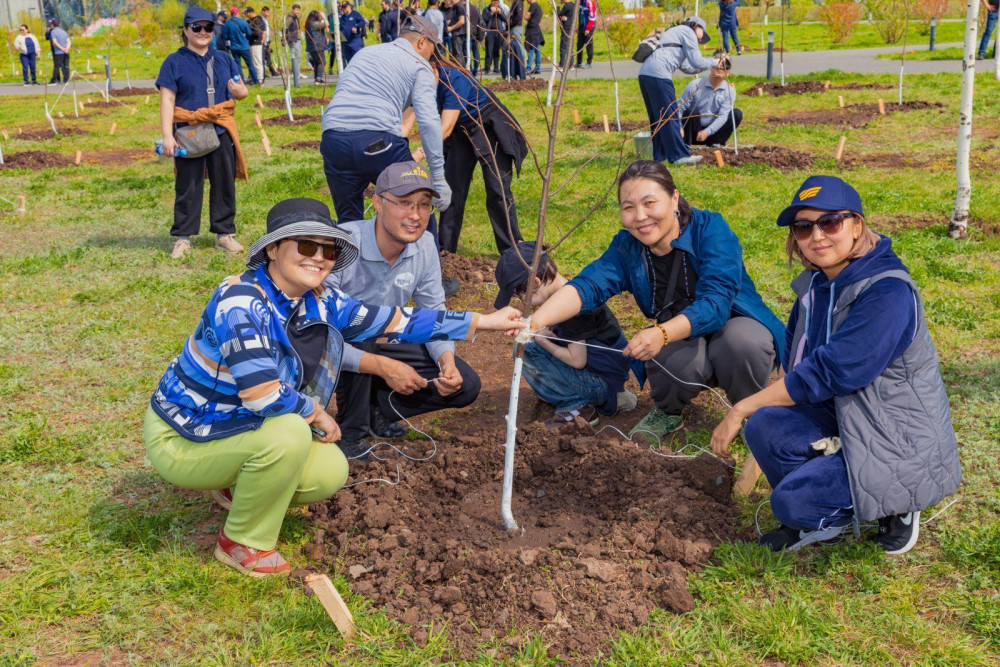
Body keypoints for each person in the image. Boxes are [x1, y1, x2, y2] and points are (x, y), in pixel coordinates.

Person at [144, 196, 524, 577]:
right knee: (291, 432)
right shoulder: (241, 303)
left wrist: (484, 321)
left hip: (239, 425)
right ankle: (242, 542)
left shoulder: (319, 300)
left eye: (328, 250)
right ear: (273, 249)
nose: (319, 258)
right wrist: (315, 412)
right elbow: (262, 394)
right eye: (307, 245)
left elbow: (398, 321)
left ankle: (238, 484)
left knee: (330, 470)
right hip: (186, 433)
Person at [710, 176, 962, 555]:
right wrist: (760, 410)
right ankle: (826, 511)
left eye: (830, 222)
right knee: (764, 425)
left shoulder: (888, 292)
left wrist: (741, 407)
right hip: (843, 418)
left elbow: (833, 371)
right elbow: (795, 363)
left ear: (857, 225)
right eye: (803, 227)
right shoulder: (816, 287)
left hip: (893, 438)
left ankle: (896, 505)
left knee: (789, 501)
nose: (817, 236)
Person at [527, 160, 785, 443]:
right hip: (681, 333)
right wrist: (536, 321)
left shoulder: (711, 230)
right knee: (669, 358)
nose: (640, 216)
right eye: (628, 207)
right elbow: (588, 286)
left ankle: (749, 411)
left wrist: (661, 333)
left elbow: (716, 304)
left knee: (743, 343)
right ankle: (668, 410)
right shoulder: (628, 248)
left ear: (674, 198)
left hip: (735, 321)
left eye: (650, 203)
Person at [326, 162, 482, 454]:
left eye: (424, 204)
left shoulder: (424, 246)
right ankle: (351, 433)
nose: (415, 215)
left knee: (466, 385)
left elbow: (434, 313)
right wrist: (385, 367)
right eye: (404, 202)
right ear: (378, 203)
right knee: (360, 327)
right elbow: (317, 333)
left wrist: (446, 361)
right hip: (331, 348)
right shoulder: (341, 245)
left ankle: (379, 409)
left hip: (386, 336)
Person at [320, 17, 451, 224]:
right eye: (433, 51)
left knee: (349, 222)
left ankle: (352, 245)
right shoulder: (419, 64)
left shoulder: (366, 52)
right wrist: (438, 177)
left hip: (333, 139)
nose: (432, 58)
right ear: (422, 42)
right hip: (377, 141)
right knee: (417, 211)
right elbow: (428, 121)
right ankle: (425, 246)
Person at [495, 242, 640, 429]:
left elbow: (577, 361)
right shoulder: (572, 293)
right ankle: (568, 390)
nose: (521, 300)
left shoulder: (571, 311)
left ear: (536, 284)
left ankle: (578, 406)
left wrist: (542, 340)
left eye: (518, 294)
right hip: (608, 376)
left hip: (601, 384)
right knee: (535, 343)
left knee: (528, 349)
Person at [158, 6, 250, 261]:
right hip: (188, 132)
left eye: (208, 27)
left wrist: (240, 91)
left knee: (224, 182)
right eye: (196, 27)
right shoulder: (174, 62)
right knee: (188, 184)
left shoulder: (224, 59)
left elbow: (242, 91)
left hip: (220, 129)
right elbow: (167, 101)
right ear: (186, 30)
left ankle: (224, 235)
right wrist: (168, 136)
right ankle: (183, 238)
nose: (202, 32)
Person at [434, 54, 526, 260]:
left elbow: (444, 128)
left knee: (497, 188)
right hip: (460, 130)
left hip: (488, 125)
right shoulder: (420, 84)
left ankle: (511, 251)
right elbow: (409, 119)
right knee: (452, 188)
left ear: (433, 66)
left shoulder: (453, 79)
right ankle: (445, 251)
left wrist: (419, 153)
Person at [638, 16, 717, 165]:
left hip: (645, 74)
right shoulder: (687, 31)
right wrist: (715, 61)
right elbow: (697, 61)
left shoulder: (676, 33)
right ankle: (679, 156)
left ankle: (660, 156)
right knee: (670, 115)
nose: (701, 39)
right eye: (703, 33)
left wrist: (710, 66)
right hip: (659, 74)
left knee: (659, 118)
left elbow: (689, 67)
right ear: (696, 25)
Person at [678, 54, 741, 148]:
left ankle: (716, 144)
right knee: (690, 110)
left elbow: (723, 116)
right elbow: (679, 108)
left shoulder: (729, 91)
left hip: (711, 133)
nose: (720, 67)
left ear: (728, 72)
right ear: (711, 67)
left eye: (725, 66)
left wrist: (707, 132)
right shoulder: (694, 85)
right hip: (691, 132)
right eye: (718, 63)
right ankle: (685, 145)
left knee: (736, 114)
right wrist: (678, 127)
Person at [223, 7, 259, 84]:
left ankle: (242, 82)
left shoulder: (227, 23)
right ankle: (256, 81)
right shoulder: (243, 21)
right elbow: (249, 33)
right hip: (244, 46)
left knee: (238, 65)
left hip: (234, 47)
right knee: (250, 64)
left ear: (231, 14)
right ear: (238, 13)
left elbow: (225, 36)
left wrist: (231, 37)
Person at [482, 0, 508, 74]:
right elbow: (484, 20)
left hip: (499, 31)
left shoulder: (500, 9)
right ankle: (487, 68)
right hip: (490, 31)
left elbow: (505, 19)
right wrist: (491, 13)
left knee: (497, 50)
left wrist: (500, 13)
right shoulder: (486, 10)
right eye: (495, 2)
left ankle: (496, 68)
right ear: (491, 2)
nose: (496, 4)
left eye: (497, 3)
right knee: (489, 51)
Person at [304, 10, 328, 84]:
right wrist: (324, 17)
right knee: (322, 62)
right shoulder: (315, 24)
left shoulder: (308, 24)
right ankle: (319, 78)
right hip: (317, 46)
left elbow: (325, 28)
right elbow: (327, 24)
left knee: (316, 62)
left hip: (312, 46)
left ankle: (316, 78)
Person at [282, 4, 303, 85]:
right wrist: (284, 38)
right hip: (293, 39)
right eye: (296, 10)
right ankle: (295, 74)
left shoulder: (295, 18)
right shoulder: (290, 18)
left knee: (299, 56)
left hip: (297, 38)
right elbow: (285, 28)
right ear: (293, 10)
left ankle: (297, 72)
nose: (297, 12)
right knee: (295, 57)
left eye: (298, 10)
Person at [246, 7, 267, 83]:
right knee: (253, 62)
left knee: (257, 62)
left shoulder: (258, 20)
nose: (246, 15)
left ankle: (260, 79)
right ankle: (254, 78)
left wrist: (248, 33)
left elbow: (260, 32)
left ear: (250, 12)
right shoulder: (249, 21)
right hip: (251, 43)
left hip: (256, 43)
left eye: (247, 13)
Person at [47, 19, 70, 84]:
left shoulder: (53, 32)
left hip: (58, 52)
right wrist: (67, 48)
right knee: (66, 66)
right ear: (59, 24)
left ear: (53, 25)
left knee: (56, 67)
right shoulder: (63, 31)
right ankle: (66, 79)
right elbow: (68, 41)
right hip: (66, 51)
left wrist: (62, 49)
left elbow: (55, 42)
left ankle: (54, 80)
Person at [524, 0, 543, 75]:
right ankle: (538, 68)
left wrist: (525, 14)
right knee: (537, 50)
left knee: (531, 49)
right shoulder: (537, 6)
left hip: (532, 31)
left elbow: (526, 17)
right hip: (536, 30)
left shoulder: (533, 5)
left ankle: (528, 68)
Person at [261, 7, 280, 77]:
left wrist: (269, 41)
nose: (268, 14)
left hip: (267, 41)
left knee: (268, 57)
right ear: (263, 12)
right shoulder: (261, 20)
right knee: (263, 58)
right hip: (263, 41)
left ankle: (272, 72)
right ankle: (263, 73)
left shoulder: (266, 20)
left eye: (268, 12)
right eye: (267, 12)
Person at [575, 0, 595, 69]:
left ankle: (589, 62)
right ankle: (579, 62)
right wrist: (579, 26)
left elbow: (592, 17)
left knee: (588, 45)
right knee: (579, 45)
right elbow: (581, 15)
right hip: (582, 26)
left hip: (589, 27)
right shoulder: (580, 2)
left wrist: (588, 28)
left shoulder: (590, 2)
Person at [556, 0, 574, 71]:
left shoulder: (567, 6)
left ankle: (561, 65)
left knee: (563, 46)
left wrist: (558, 6)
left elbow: (559, 14)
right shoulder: (573, 5)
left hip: (566, 28)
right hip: (571, 27)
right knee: (569, 46)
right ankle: (571, 64)